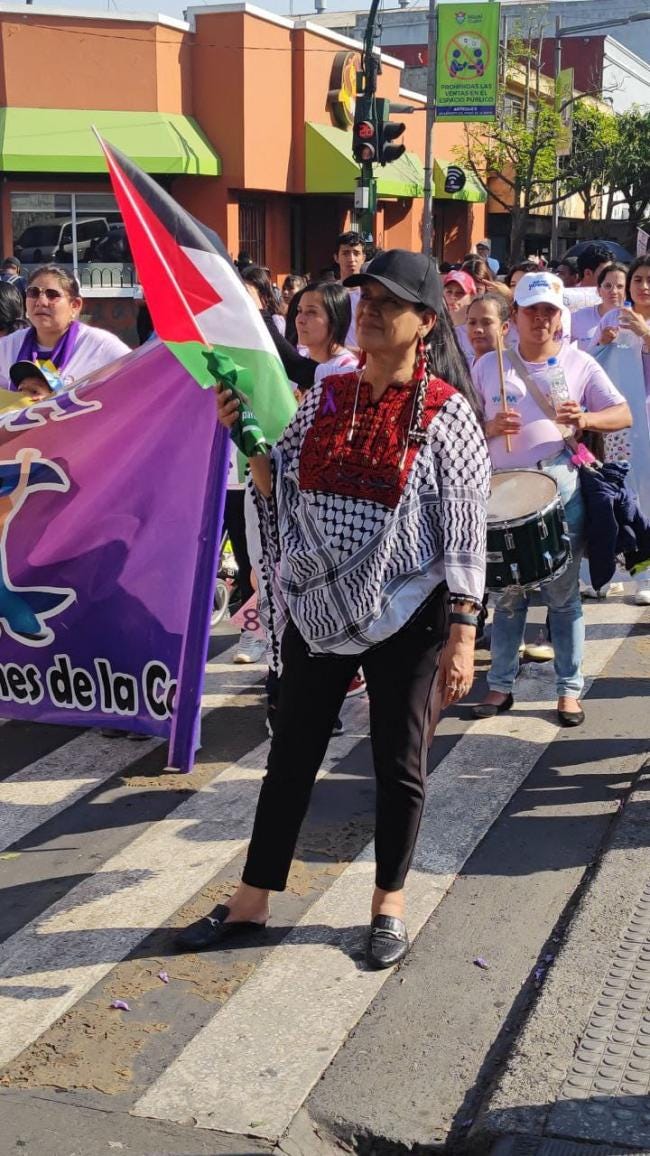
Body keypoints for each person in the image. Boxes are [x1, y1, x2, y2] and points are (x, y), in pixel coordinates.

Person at [176, 249, 491, 968]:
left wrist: (464, 634)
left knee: (397, 763)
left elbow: (465, 533)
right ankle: (253, 899)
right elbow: (277, 483)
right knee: (291, 753)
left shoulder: (448, 416)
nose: (371, 309)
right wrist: (242, 432)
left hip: (408, 618)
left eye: (389, 301)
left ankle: (388, 904)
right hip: (321, 614)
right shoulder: (324, 398)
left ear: (425, 322)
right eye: (366, 297)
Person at [471, 271, 631, 728]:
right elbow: (464, 427)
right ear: (514, 317)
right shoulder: (488, 365)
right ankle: (501, 684)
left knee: (562, 598)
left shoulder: (578, 363)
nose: (540, 319)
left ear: (560, 317)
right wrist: (488, 429)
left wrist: (587, 416)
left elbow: (621, 413)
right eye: (530, 310)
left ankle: (569, 690)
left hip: (559, 486)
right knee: (506, 596)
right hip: (501, 491)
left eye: (548, 311)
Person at [588, 254, 650, 605]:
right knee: (621, 494)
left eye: (648, 280)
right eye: (638, 279)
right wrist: (603, 341)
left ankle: (645, 573)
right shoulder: (615, 319)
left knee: (649, 495)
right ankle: (610, 571)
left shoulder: (639, 326)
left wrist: (646, 334)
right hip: (623, 425)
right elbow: (590, 364)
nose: (643, 287)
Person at [0, 265, 129, 389]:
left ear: (75, 305)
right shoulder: (7, 347)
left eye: (52, 295)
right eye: (33, 293)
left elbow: (138, 381)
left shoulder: (100, 346)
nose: (41, 302)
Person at [294, 280, 358, 389]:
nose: (300, 319)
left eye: (311, 312)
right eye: (299, 311)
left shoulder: (348, 369)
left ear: (334, 319)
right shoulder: (299, 357)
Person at [571, 262, 627, 351]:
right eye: (608, 286)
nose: (614, 291)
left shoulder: (634, 319)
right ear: (598, 289)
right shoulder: (579, 317)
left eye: (620, 286)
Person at [333, 230, 365, 346]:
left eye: (356, 253)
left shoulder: (371, 295)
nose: (351, 259)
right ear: (336, 258)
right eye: (345, 253)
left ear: (363, 258)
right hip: (336, 360)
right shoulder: (329, 294)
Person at [442, 269, 477, 362]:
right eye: (449, 291)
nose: (453, 296)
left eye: (460, 293)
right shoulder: (434, 326)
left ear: (472, 297)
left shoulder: (477, 331)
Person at [465, 293, 510, 364]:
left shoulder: (515, 368)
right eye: (472, 322)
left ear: (504, 328)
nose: (477, 329)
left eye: (486, 323)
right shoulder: (460, 369)